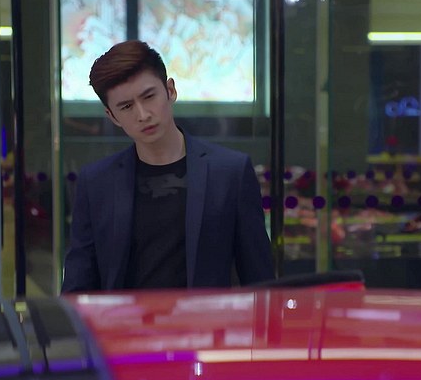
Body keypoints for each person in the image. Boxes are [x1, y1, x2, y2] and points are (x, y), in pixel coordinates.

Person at [61, 40, 274, 292]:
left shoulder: (230, 172)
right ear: (112, 116)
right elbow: (78, 284)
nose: (143, 115)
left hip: (206, 317)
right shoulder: (97, 182)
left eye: (149, 96)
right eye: (126, 107)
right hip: (122, 317)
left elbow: (260, 279)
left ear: (170, 90)